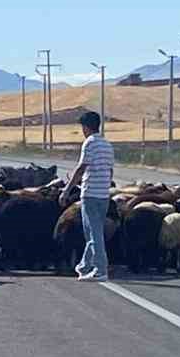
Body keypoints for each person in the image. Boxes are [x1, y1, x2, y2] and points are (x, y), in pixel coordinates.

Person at [59, 110, 114, 281]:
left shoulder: (89, 143)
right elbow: (110, 171)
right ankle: (84, 266)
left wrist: (67, 190)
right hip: (104, 194)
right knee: (94, 231)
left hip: (90, 194)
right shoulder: (107, 145)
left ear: (86, 127)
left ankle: (100, 270)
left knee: (94, 233)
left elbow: (81, 167)